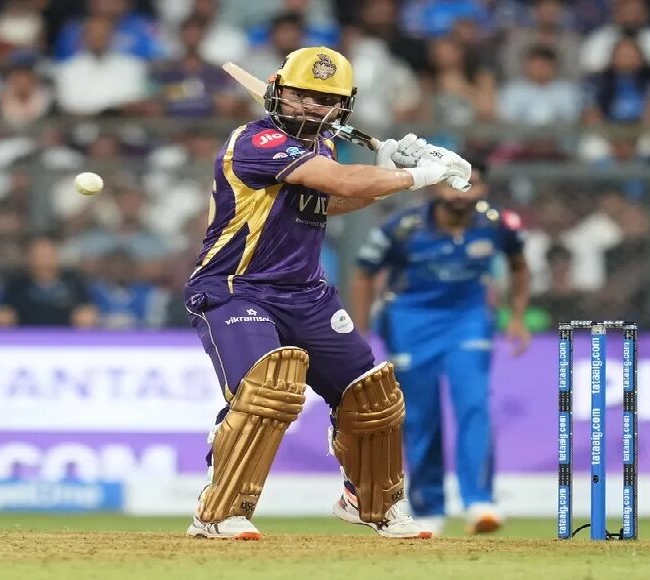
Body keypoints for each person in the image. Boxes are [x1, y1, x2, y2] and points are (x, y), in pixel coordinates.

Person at [183, 46, 471, 540]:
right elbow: (338, 181)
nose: (313, 106)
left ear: (343, 106)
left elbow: (329, 200)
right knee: (266, 390)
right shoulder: (255, 141)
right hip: (237, 288)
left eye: (326, 99)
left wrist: (380, 176)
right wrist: (416, 176)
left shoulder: (321, 149)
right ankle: (218, 511)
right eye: (302, 95)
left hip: (306, 294)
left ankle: (370, 502)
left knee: (371, 396)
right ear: (278, 91)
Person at [352, 167, 531, 535]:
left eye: (471, 184)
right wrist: (362, 330)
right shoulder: (403, 227)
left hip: (468, 320)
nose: (461, 192)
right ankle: (428, 506)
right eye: (452, 183)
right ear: (435, 187)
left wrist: (517, 317)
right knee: (420, 416)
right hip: (410, 322)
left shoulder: (498, 223)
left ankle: (479, 501)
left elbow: (519, 265)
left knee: (474, 404)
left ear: (484, 188)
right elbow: (364, 272)